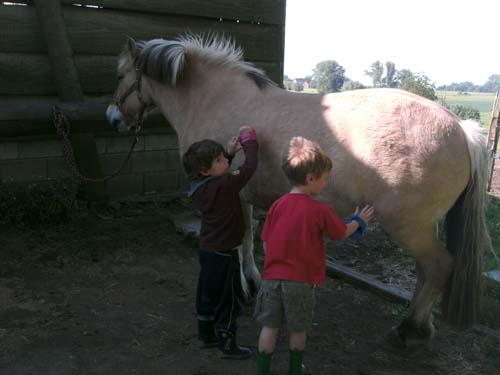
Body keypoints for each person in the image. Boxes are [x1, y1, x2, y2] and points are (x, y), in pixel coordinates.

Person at [254, 136, 375, 375]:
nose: (325, 184)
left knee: (270, 327)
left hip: (271, 279)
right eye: (324, 179)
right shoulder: (320, 210)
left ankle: (262, 371)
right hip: (300, 282)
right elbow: (341, 232)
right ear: (310, 179)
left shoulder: (277, 205)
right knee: (298, 329)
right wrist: (359, 220)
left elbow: (266, 242)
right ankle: (295, 370)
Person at [182, 126, 258, 360]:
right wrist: (250, 143)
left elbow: (219, 175)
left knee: (207, 291)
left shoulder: (199, 187)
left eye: (224, 157)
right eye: (220, 159)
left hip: (207, 251)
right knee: (229, 298)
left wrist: (229, 152)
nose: (225, 160)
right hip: (225, 253)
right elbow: (248, 169)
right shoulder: (224, 185)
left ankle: (206, 335)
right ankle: (227, 343)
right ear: (205, 170)